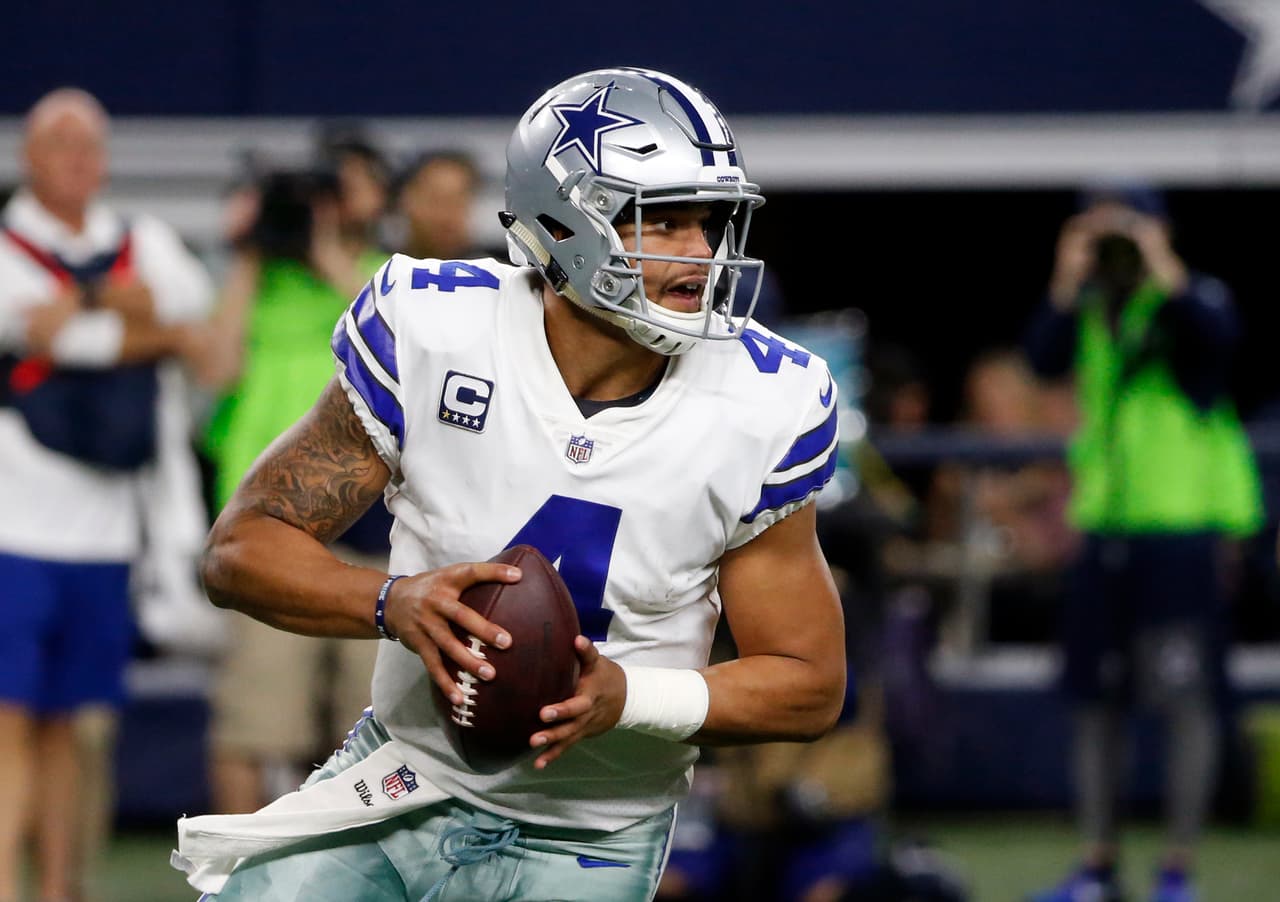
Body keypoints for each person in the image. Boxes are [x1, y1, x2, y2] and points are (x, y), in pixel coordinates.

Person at [173, 67, 846, 902]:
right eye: (661, 221)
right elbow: (241, 547)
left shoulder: (761, 401)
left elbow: (808, 683)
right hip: (405, 780)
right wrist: (394, 601)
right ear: (567, 223)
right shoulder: (436, 326)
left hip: (589, 836)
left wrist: (631, 695)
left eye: (708, 222)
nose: (702, 254)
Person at [0, 88, 213, 902]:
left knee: (78, 727)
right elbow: (33, 330)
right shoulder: (11, 242)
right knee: (9, 719)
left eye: (90, 147)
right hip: (16, 524)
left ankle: (60, 886)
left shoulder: (141, 237)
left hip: (107, 529)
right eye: (60, 145)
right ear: (30, 156)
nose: (78, 163)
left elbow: (191, 321)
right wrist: (120, 313)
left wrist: (82, 313)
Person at [1024, 183, 1263, 902]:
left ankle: (1177, 870)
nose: (1115, 247)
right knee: (1094, 704)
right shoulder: (1091, 310)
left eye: (1125, 228)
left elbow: (1220, 345)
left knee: (1185, 703)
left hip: (1182, 536)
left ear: (1161, 231)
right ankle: (1097, 868)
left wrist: (1161, 265)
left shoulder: (1197, 299)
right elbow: (1040, 358)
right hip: (1105, 533)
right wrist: (1067, 278)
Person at [201, 130, 393, 815]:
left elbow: (404, 344)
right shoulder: (254, 288)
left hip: (372, 527)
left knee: (368, 728)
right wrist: (251, 256)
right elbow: (213, 369)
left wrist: (325, 253)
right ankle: (234, 882)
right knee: (253, 726)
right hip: (268, 527)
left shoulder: (384, 276)